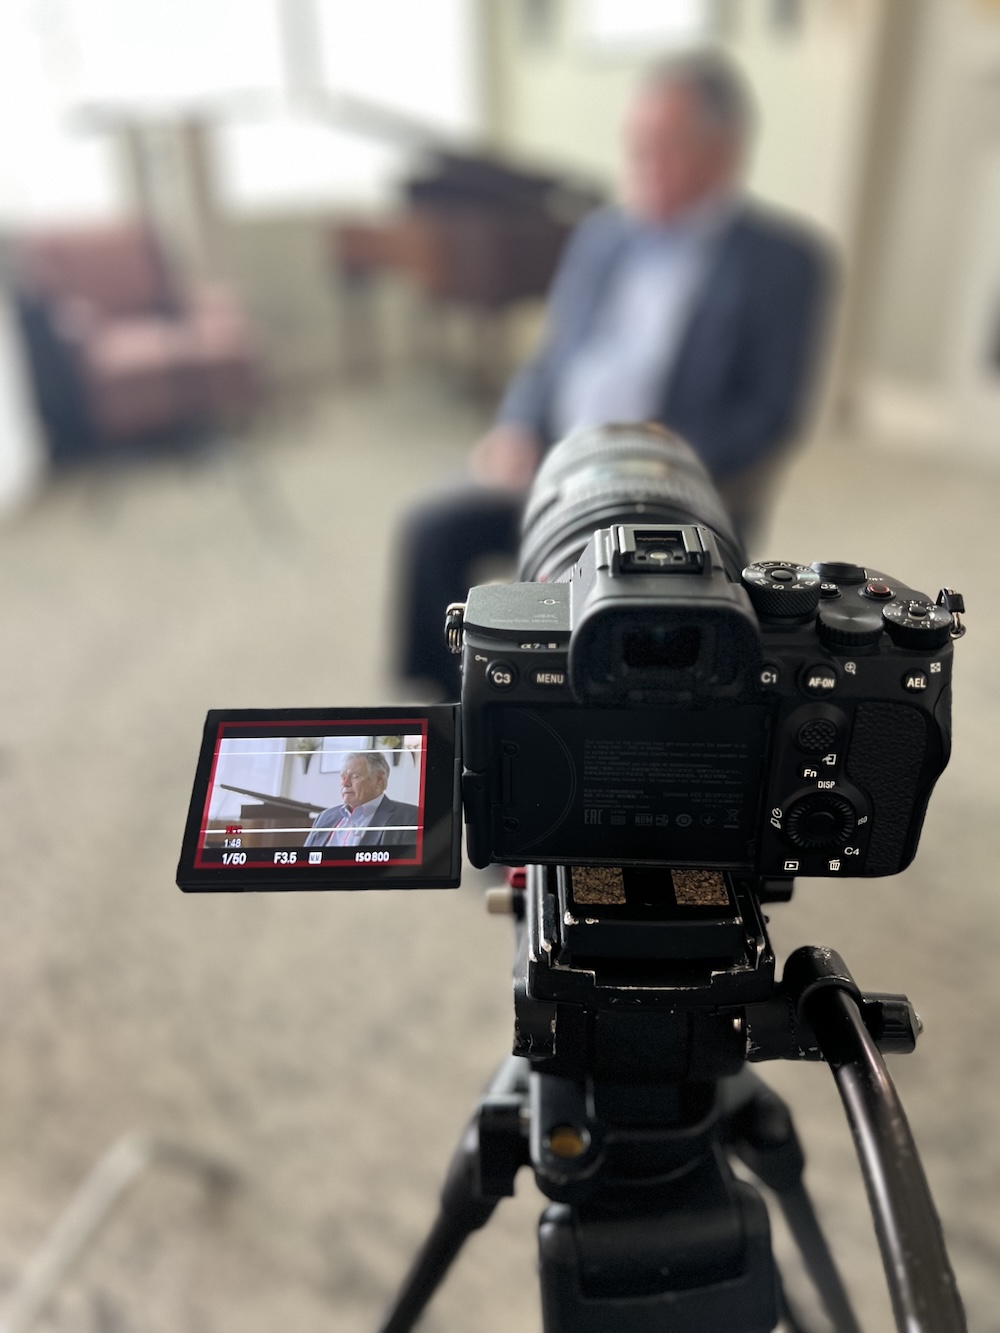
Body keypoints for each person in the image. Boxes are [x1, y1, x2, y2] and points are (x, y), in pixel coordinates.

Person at [396, 48, 834, 700]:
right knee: (430, 530)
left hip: (671, 494)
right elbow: (549, 360)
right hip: (557, 464)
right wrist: (516, 424)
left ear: (724, 152)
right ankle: (454, 707)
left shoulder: (786, 261)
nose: (640, 162)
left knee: (613, 633)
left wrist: (659, 458)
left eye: (664, 146)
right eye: (636, 144)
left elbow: (771, 413)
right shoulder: (600, 236)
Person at [304, 752, 420, 848]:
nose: (345, 783)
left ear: (379, 780)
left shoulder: (410, 818)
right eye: (343, 777)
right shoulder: (324, 817)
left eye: (355, 776)